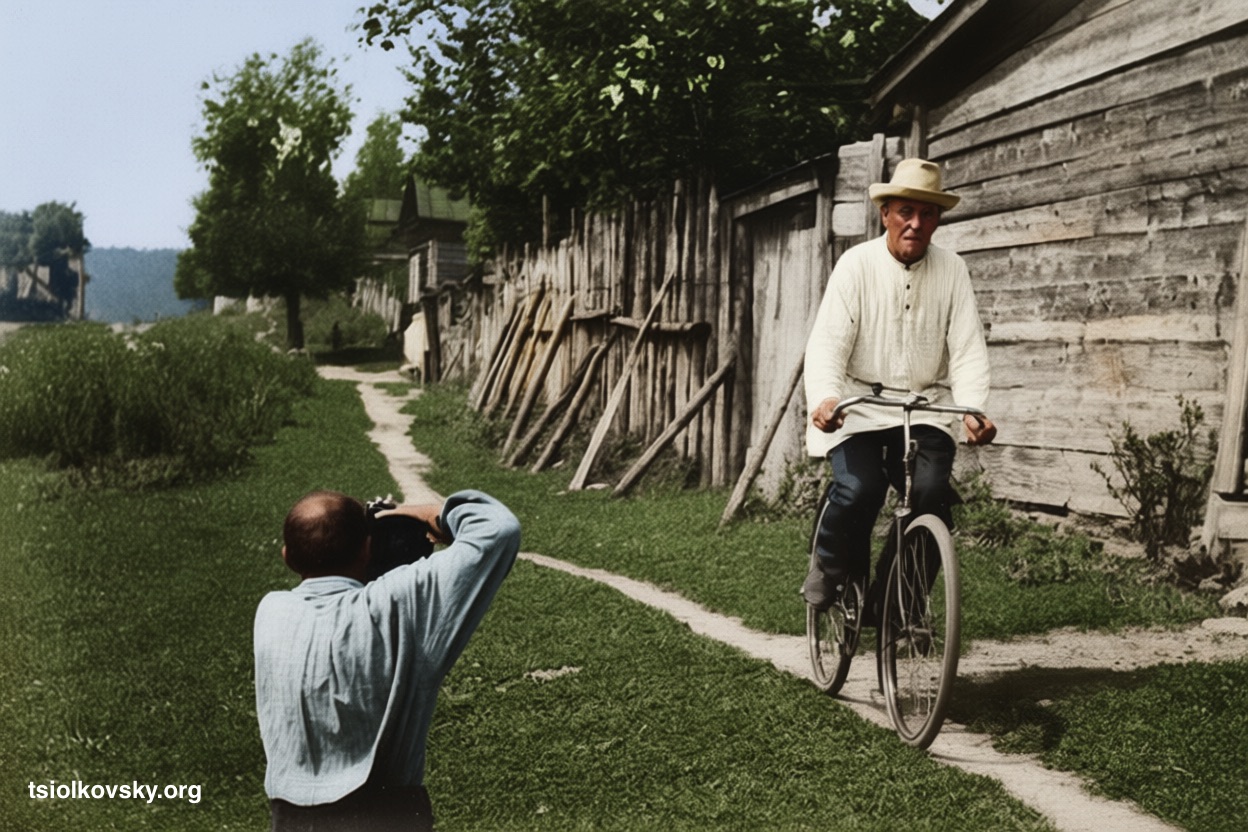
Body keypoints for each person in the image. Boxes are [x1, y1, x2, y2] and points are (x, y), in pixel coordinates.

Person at [254, 489, 520, 831]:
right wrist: (419, 512)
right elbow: (498, 529)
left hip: (290, 819)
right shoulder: (399, 603)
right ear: (367, 548)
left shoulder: (271, 612)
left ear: (287, 557)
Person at [802, 158, 997, 610]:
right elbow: (828, 343)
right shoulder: (856, 265)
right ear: (885, 213)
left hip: (925, 405)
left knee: (931, 497)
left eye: (927, 214)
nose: (915, 223)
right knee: (859, 489)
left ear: (937, 219)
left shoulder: (953, 270)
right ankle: (829, 563)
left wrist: (972, 408)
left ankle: (897, 606)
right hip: (859, 404)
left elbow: (967, 347)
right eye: (905, 211)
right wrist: (827, 399)